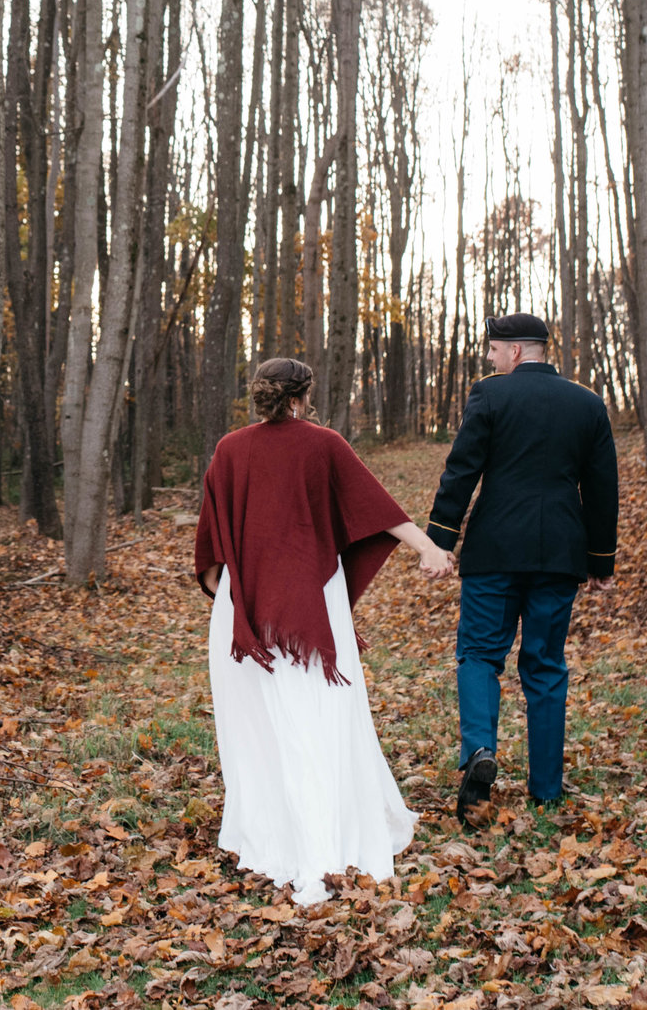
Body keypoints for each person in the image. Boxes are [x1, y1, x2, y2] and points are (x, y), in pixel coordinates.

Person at [193, 358, 453, 905]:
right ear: (300, 398)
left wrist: (238, 606)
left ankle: (277, 840)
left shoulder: (229, 450)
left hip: (245, 615)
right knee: (320, 718)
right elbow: (376, 510)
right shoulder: (324, 444)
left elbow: (213, 563)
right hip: (312, 606)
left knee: (261, 730)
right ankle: (328, 840)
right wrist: (427, 547)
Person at [425, 313, 619, 824]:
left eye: (493, 350)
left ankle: (480, 752)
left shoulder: (490, 396)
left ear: (514, 351)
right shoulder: (587, 403)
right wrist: (602, 559)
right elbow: (602, 489)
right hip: (560, 554)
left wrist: (441, 539)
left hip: (494, 550)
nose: (489, 359)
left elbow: (461, 470)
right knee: (545, 666)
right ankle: (547, 790)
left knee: (479, 654)